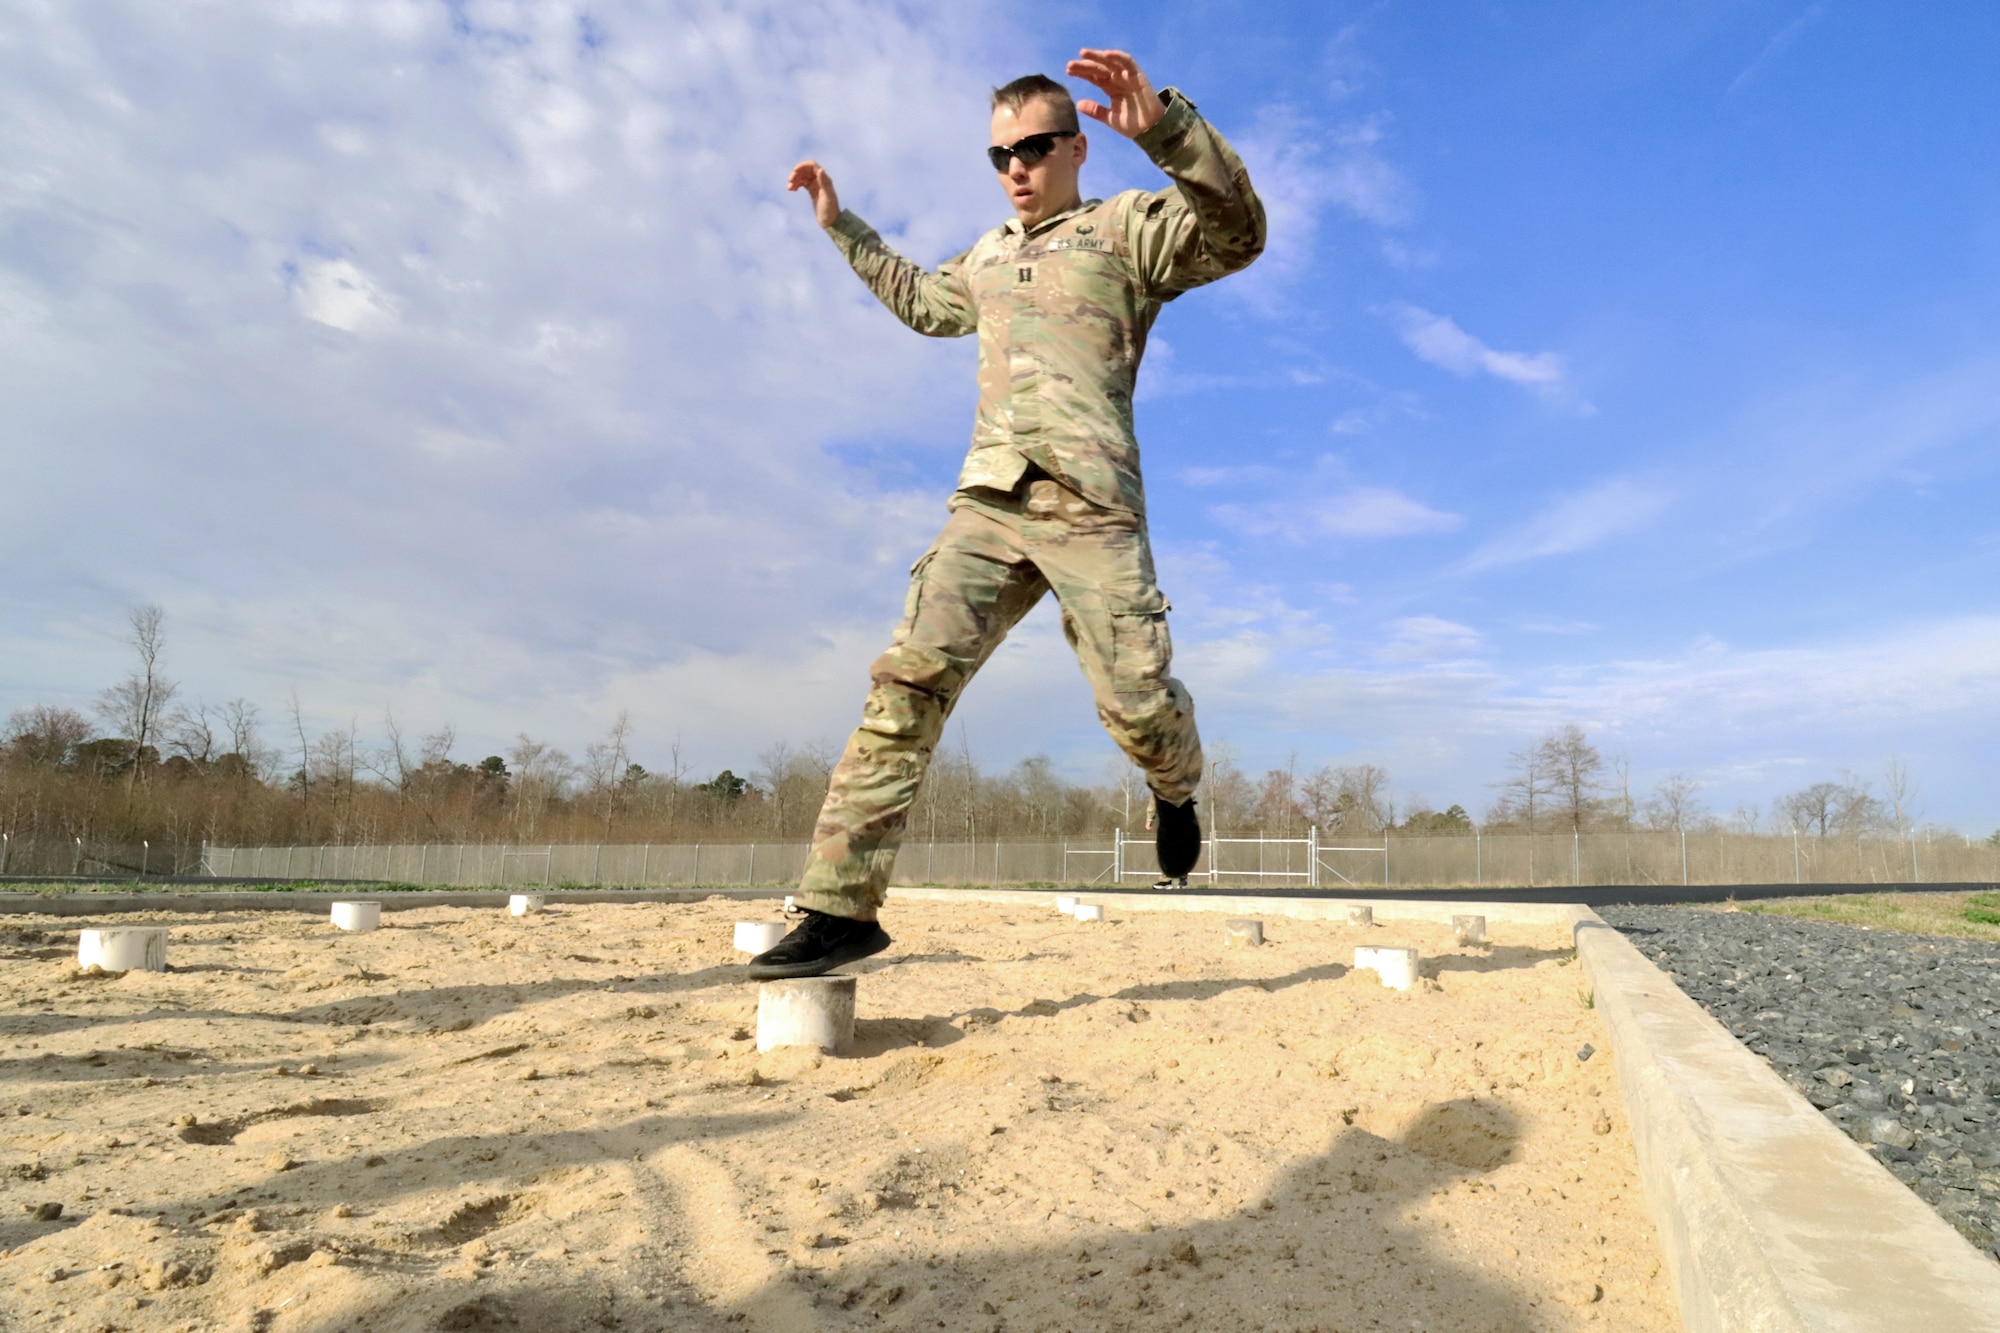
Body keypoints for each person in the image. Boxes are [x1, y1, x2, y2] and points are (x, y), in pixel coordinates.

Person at [752, 48, 1266, 980]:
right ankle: (838, 905)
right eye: (999, 155)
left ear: (1075, 147)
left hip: (1091, 505)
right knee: (905, 680)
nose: (1015, 167)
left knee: (1139, 704)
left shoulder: (1124, 231)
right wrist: (842, 227)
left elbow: (1237, 234)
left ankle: (1176, 785)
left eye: (1032, 147)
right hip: (988, 501)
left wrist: (1166, 132)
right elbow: (920, 301)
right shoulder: (988, 256)